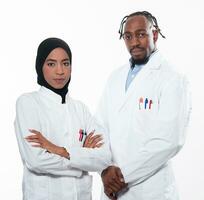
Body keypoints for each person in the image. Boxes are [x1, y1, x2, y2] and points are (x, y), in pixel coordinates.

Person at [95, 11, 191, 200]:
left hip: (150, 190)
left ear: (154, 34)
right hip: (111, 187)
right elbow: (98, 127)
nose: (134, 43)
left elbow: (169, 141)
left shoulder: (172, 79)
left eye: (141, 34)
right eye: (128, 36)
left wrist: (123, 175)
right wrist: (104, 169)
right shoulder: (115, 78)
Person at [14, 37, 111, 200]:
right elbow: (36, 161)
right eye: (51, 64)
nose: (60, 71)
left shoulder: (80, 109)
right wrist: (82, 161)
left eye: (65, 63)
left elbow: (104, 158)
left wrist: (59, 150)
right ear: (40, 66)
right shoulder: (28, 103)